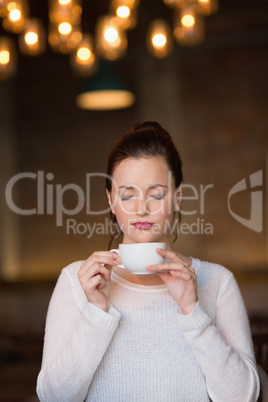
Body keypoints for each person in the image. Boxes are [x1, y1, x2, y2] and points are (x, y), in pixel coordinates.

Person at [36, 121, 260, 401]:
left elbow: (244, 397)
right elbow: (53, 398)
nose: (142, 208)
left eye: (156, 195)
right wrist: (96, 313)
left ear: (178, 198)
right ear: (110, 201)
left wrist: (192, 310)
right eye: (127, 195)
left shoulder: (217, 281)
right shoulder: (77, 280)